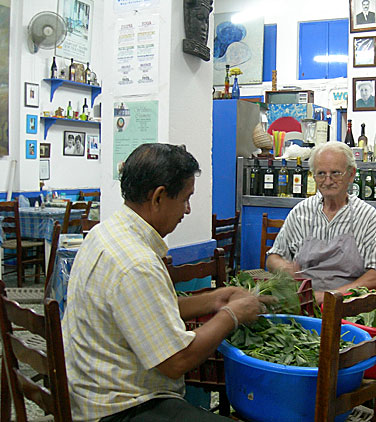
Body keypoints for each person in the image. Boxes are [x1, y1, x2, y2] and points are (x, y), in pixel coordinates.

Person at [62, 143, 271, 422]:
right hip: (119, 408)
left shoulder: (106, 232)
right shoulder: (137, 263)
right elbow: (177, 361)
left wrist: (215, 298)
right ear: (159, 197)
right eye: (186, 198)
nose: (187, 210)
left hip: (89, 391)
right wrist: (232, 315)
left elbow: (145, 310)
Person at [266, 142, 376, 304]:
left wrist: (331, 296)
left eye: (335, 173)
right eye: (321, 174)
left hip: (349, 306)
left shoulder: (366, 216)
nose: (328, 181)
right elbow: (273, 257)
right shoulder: (300, 212)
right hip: (304, 302)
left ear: (351, 174)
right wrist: (283, 267)